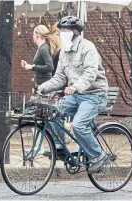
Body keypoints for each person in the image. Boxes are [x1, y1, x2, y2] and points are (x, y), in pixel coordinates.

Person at [37, 16, 109, 174]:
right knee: (51, 112)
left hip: (94, 95)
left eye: (65, 31)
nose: (62, 34)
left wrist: (76, 87)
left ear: (75, 32)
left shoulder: (88, 48)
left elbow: (90, 74)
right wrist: (43, 87)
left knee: (78, 125)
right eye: (61, 31)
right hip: (76, 95)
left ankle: (99, 156)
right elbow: (59, 78)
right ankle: (59, 147)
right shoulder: (64, 51)